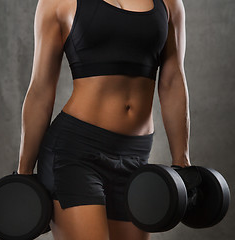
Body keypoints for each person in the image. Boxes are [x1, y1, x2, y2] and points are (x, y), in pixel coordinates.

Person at [17, 0, 190, 239]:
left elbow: (172, 81)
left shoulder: (169, 3)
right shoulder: (57, 2)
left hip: (135, 156)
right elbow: (41, 91)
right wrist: (24, 175)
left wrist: (181, 158)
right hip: (74, 153)